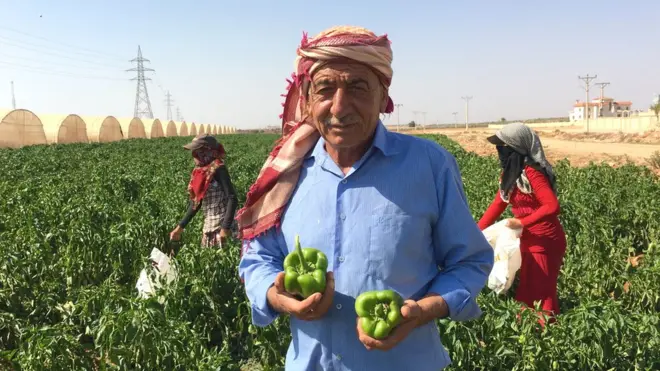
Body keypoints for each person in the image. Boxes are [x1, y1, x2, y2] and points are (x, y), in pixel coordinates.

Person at [236, 25, 494, 370]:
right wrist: (275, 295)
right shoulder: (287, 171)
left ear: (383, 93)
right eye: (325, 89)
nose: (340, 108)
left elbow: (470, 262)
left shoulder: (429, 165)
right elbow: (258, 259)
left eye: (358, 87)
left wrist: (423, 311)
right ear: (309, 97)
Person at [477, 122, 566, 326]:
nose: (500, 152)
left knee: (542, 292)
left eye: (503, 147)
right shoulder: (511, 174)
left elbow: (552, 206)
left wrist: (522, 221)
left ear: (516, 147)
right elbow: (498, 204)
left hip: (545, 240)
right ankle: (532, 335)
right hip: (526, 238)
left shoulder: (532, 173)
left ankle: (549, 338)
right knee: (527, 289)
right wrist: (475, 231)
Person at [170, 134, 238, 248]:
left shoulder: (218, 168)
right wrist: (179, 228)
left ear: (206, 150)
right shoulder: (199, 172)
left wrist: (225, 229)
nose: (194, 155)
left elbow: (232, 198)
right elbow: (196, 202)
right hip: (209, 226)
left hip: (223, 227)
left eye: (197, 151)